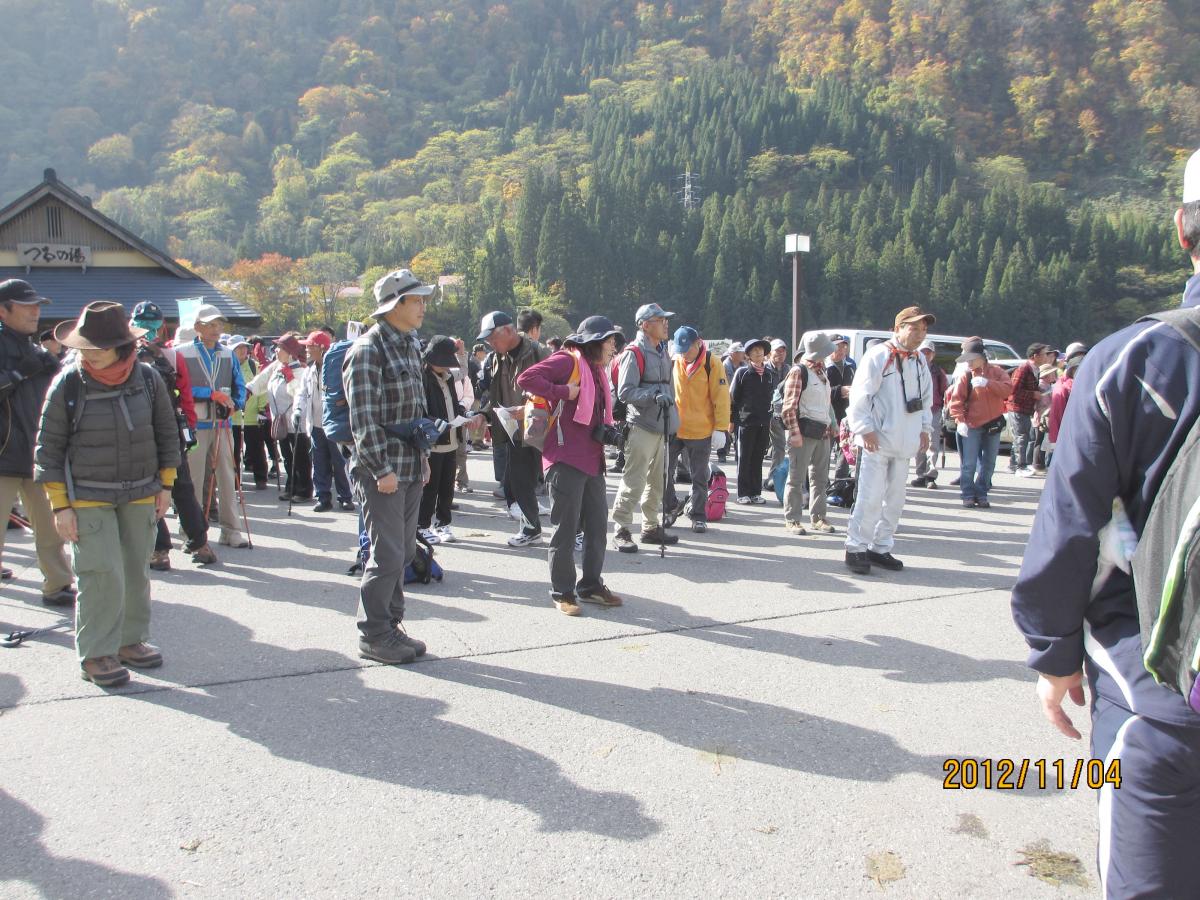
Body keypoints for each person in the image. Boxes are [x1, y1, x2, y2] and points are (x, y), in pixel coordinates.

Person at [1010, 150, 1200, 899]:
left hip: (1161, 693)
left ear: (1184, 229)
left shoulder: (1139, 360)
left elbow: (1071, 524)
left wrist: (1054, 653)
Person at [35, 301, 180, 687]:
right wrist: (59, 505)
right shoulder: (68, 382)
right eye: (85, 346)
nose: (89, 353)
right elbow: (48, 449)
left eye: (98, 346)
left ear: (122, 346)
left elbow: (167, 434)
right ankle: (97, 653)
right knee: (100, 574)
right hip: (86, 495)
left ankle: (130, 640)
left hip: (141, 491)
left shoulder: (148, 379)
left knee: (135, 569)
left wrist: (165, 485)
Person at [344, 268, 435, 665]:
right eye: (416, 300)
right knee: (386, 554)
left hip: (410, 465)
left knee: (401, 553)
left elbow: (415, 410)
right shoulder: (369, 349)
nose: (422, 306)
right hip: (383, 470)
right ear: (395, 304)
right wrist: (381, 469)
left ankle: (392, 626)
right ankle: (374, 633)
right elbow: (363, 420)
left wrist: (424, 459)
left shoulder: (410, 344)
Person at [517, 316, 625, 615]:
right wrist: (565, 392)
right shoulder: (568, 360)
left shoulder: (596, 369)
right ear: (595, 342)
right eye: (610, 341)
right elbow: (526, 379)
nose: (614, 347)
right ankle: (562, 592)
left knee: (597, 528)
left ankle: (590, 585)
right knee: (565, 531)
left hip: (592, 459)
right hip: (565, 458)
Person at [843, 307, 935, 575]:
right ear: (898, 328)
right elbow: (860, 396)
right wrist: (864, 429)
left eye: (923, 330)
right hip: (877, 441)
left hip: (904, 444)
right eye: (914, 328)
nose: (919, 335)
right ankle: (856, 547)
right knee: (869, 498)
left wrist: (925, 430)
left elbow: (926, 402)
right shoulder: (879, 355)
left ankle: (880, 547)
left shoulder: (919, 361)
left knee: (895, 500)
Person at [0, 279, 74, 605]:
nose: (35, 312)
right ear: (3, 310)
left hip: (36, 454)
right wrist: (18, 374)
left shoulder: (37, 351)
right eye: (27, 305)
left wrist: (55, 370)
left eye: (37, 305)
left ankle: (57, 584)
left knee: (50, 528)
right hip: (2, 455)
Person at [130, 302, 217, 569]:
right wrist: (189, 428)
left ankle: (160, 550)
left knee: (148, 489)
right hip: (171, 428)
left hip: (140, 431)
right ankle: (200, 543)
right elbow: (186, 398)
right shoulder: (171, 356)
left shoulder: (126, 353)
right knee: (183, 488)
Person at [175, 304, 249, 548]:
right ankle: (191, 532)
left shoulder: (227, 354)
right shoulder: (181, 353)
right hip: (195, 425)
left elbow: (240, 386)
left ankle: (231, 530)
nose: (217, 329)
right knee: (193, 479)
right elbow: (177, 389)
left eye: (219, 324)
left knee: (227, 477)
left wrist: (234, 404)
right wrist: (210, 394)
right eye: (211, 324)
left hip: (222, 424)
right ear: (198, 327)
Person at [610, 303, 680, 552]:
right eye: (660, 320)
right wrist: (653, 395)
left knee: (658, 481)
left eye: (665, 319)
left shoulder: (662, 349)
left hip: (662, 425)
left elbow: (669, 387)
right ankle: (621, 529)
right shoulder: (634, 352)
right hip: (641, 425)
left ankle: (650, 526)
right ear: (645, 324)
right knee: (634, 480)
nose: (665, 323)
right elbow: (625, 391)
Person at [479, 310, 550, 547]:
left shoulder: (539, 352)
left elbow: (557, 390)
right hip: (513, 428)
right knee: (520, 481)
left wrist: (529, 408)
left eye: (492, 338)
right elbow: (495, 391)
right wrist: (482, 413)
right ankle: (531, 528)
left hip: (541, 424)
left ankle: (576, 533)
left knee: (555, 481)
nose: (490, 344)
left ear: (509, 331)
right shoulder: (497, 357)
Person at [664, 326, 730, 534]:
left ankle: (699, 515)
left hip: (701, 429)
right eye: (680, 349)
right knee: (663, 471)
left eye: (687, 349)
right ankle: (670, 506)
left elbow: (721, 397)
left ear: (698, 343)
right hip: (675, 427)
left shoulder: (712, 363)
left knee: (699, 476)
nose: (684, 353)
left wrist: (721, 428)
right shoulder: (675, 361)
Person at [417, 336, 482, 544]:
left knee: (447, 488)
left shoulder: (447, 377)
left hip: (452, 439)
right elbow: (420, 411)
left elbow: (455, 401)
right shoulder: (422, 378)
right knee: (430, 488)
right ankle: (423, 525)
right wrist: (438, 422)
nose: (446, 366)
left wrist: (464, 415)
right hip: (433, 442)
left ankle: (443, 523)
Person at [780, 332, 837, 535]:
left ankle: (818, 517)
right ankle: (793, 519)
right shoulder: (799, 371)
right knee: (795, 478)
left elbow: (825, 403)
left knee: (820, 478)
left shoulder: (822, 372)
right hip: (803, 432)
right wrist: (794, 433)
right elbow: (788, 406)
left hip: (822, 431)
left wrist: (833, 425)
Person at [944, 338, 1012, 509]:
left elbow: (1008, 390)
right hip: (971, 424)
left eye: (971, 358)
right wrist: (960, 421)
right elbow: (956, 401)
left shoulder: (997, 372)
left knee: (989, 464)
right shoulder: (965, 376)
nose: (968, 362)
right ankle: (967, 494)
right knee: (969, 463)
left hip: (993, 425)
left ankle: (981, 492)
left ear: (982, 357)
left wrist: (989, 383)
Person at [295, 330, 353, 513]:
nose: (306, 349)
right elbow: (302, 394)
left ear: (321, 348)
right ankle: (323, 497)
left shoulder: (337, 369)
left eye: (310, 346)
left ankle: (346, 497)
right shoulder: (309, 370)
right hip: (316, 424)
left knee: (340, 462)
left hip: (334, 423)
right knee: (319, 462)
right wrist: (298, 410)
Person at [248, 333, 311, 503]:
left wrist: (290, 379)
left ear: (289, 352)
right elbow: (260, 380)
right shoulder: (276, 367)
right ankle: (291, 486)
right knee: (287, 455)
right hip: (279, 420)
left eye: (280, 348)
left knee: (300, 455)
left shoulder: (300, 371)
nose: (275, 350)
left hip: (295, 420)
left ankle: (304, 490)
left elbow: (300, 393)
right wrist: (249, 390)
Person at [729, 338, 773, 504]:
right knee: (744, 458)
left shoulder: (769, 373)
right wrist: (732, 420)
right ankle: (742, 493)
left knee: (758, 458)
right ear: (748, 355)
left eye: (761, 350)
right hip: (745, 421)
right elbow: (732, 397)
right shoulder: (743, 372)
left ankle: (755, 492)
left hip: (763, 422)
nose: (758, 353)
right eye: (754, 350)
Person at [1005, 342, 1056, 476]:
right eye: (1045, 354)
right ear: (1035, 356)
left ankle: (1013, 465)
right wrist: (1033, 394)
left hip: (1025, 408)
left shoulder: (1035, 369)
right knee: (1022, 437)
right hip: (1017, 408)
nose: (1047, 357)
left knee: (1020, 436)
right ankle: (1020, 467)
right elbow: (1013, 391)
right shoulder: (1023, 369)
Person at [229, 335, 269, 490]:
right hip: (233, 416)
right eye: (238, 348)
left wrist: (261, 410)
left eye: (244, 347)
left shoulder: (254, 366)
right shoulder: (227, 366)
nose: (242, 350)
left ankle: (261, 478)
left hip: (252, 416)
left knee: (256, 448)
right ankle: (234, 480)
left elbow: (262, 390)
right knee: (233, 451)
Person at [910, 339, 949, 487]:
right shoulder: (911, 367)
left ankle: (931, 476)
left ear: (933, 355)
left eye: (929, 352)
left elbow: (944, 391)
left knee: (932, 443)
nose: (926, 355)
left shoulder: (938, 372)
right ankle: (921, 475)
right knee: (918, 444)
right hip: (915, 411)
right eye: (923, 351)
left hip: (934, 410)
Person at [1046, 343, 1087, 460]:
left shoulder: (1090, 385)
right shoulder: (1063, 388)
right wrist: (1055, 444)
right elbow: (1056, 416)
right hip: (1069, 440)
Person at [765, 338, 791, 476]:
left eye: (783, 351)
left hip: (779, 413)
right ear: (769, 353)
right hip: (764, 412)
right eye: (777, 351)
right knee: (759, 447)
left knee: (780, 446)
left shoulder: (789, 369)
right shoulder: (764, 369)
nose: (780, 354)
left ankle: (775, 477)